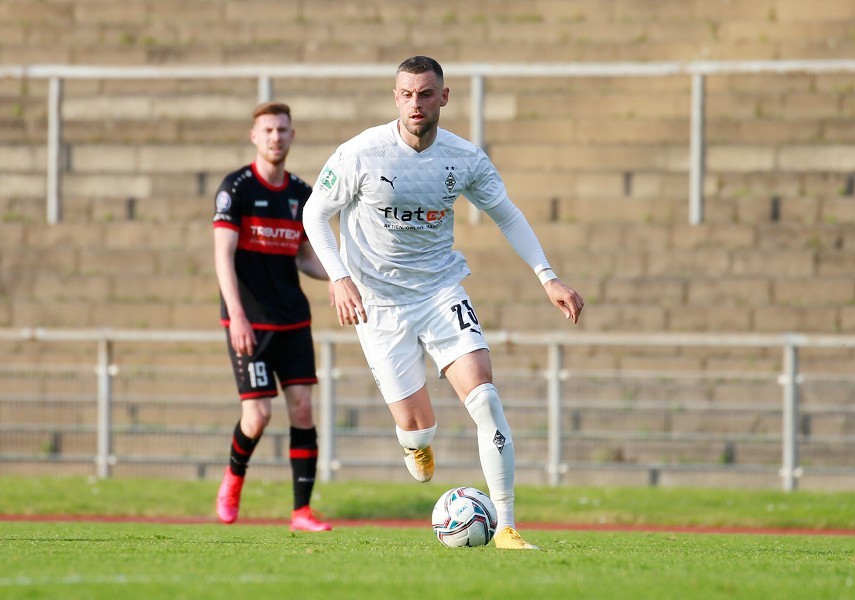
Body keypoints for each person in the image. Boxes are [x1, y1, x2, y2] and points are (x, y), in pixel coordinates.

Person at [302, 56, 584, 550]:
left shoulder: (464, 158)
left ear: (444, 97)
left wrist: (548, 278)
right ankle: (417, 443)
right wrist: (339, 277)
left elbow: (508, 215)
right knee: (418, 426)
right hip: (379, 302)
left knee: (486, 398)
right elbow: (314, 215)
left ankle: (508, 527)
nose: (416, 103)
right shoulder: (361, 154)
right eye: (407, 94)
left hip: (440, 291)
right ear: (396, 97)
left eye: (426, 94)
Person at [212, 101, 332, 532]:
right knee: (258, 416)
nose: (276, 137)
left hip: (293, 318)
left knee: (302, 409)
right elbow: (223, 258)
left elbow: (305, 259)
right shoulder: (236, 189)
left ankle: (301, 511)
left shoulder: (302, 194)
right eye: (268, 130)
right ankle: (232, 480)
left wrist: (340, 276)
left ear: (292, 136)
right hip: (250, 319)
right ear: (255, 137)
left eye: (282, 130)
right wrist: (237, 317)